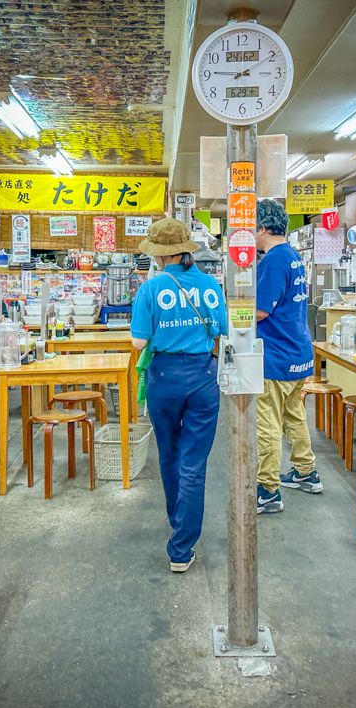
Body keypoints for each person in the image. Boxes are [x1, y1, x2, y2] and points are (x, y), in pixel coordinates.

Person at [131, 219, 226, 573]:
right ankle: (182, 546)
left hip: (164, 377)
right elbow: (222, 330)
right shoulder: (210, 285)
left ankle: (179, 523)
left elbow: (139, 342)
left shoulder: (151, 289)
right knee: (194, 461)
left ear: (159, 255)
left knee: (168, 455)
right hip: (204, 377)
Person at [253, 199, 319, 515]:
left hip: (276, 356)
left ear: (262, 228)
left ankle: (267, 491)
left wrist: (231, 314)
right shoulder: (293, 255)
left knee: (267, 422)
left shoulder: (273, 261)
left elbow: (261, 310)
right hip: (299, 351)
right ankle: (307, 473)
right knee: (294, 415)